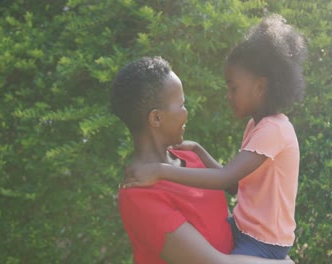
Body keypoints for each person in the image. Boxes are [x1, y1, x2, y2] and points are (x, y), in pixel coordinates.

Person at [123, 14, 308, 260]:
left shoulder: (274, 130)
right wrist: (198, 150)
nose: (228, 96)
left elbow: (224, 178)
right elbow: (234, 186)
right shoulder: (257, 126)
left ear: (260, 87)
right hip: (244, 230)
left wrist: (160, 170)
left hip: (262, 242)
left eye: (234, 88)